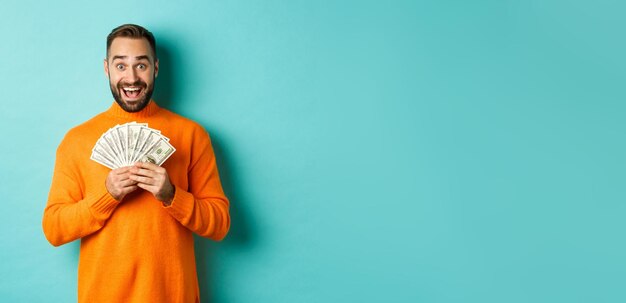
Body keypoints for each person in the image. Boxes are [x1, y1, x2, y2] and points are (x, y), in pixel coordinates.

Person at [42, 24, 230, 303]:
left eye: (141, 65)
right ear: (107, 68)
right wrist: (106, 196)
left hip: (173, 295)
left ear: (155, 68)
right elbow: (54, 229)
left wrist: (172, 196)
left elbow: (220, 224)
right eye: (121, 65)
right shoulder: (76, 141)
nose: (131, 77)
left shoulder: (192, 135)